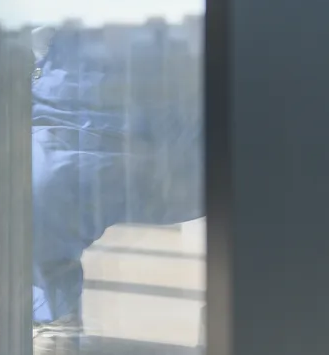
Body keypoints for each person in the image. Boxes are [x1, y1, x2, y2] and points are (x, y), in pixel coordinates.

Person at [29, 22, 204, 354]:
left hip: (182, 113)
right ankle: (53, 318)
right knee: (39, 181)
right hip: (78, 116)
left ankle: (239, 319)